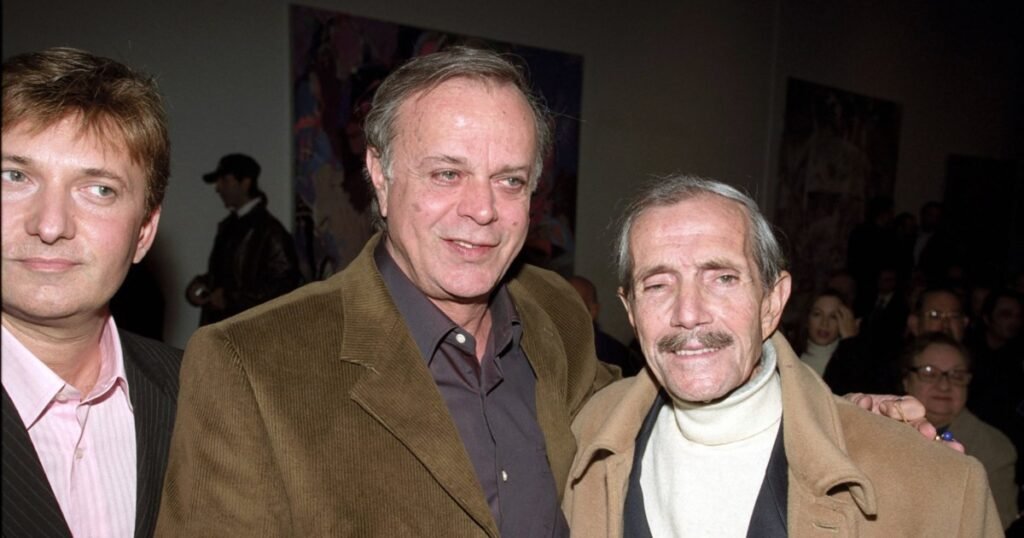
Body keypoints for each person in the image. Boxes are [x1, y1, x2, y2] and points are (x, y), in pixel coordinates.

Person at [156, 46, 615, 536]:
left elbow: (625, 429)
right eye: (447, 174)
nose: (483, 209)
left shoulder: (555, 307)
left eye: (509, 180)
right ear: (380, 173)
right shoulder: (248, 364)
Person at [562, 175, 1000, 536]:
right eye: (658, 285)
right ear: (631, 311)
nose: (688, 313)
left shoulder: (934, 487)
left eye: (723, 278)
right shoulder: (583, 440)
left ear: (772, 302)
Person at [1, 47, 181, 538]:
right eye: (15, 176)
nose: (50, 225)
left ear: (144, 231)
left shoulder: (207, 396)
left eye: (99, 189)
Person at [901, 333, 1019, 529]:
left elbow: (996, 524)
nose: (944, 385)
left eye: (957, 375)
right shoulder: (882, 430)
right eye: (929, 373)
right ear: (906, 380)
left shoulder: (994, 448)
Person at [185, 153, 302, 325]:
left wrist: (230, 299)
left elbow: (284, 285)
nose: (218, 187)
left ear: (245, 183)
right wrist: (202, 286)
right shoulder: (230, 226)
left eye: (225, 180)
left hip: (249, 333)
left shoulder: (270, 231)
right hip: (226, 330)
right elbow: (226, 275)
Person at [570, 275, 643, 376]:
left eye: (574, 305)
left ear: (593, 311)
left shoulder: (615, 357)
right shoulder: (551, 346)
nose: (565, 313)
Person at [798, 289, 857, 376]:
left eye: (833, 316)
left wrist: (850, 343)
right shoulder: (789, 353)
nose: (824, 323)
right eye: (817, 314)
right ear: (807, 319)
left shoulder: (850, 359)